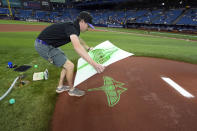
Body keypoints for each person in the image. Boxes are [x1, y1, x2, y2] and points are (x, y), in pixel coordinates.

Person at [35, 11, 105, 97]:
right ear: (82, 21)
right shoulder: (71, 27)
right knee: (70, 66)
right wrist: (94, 64)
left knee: (65, 62)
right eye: (88, 25)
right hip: (44, 46)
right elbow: (77, 47)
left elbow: (78, 38)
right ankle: (72, 90)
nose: (88, 28)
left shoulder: (74, 27)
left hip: (49, 45)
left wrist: (88, 47)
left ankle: (60, 87)